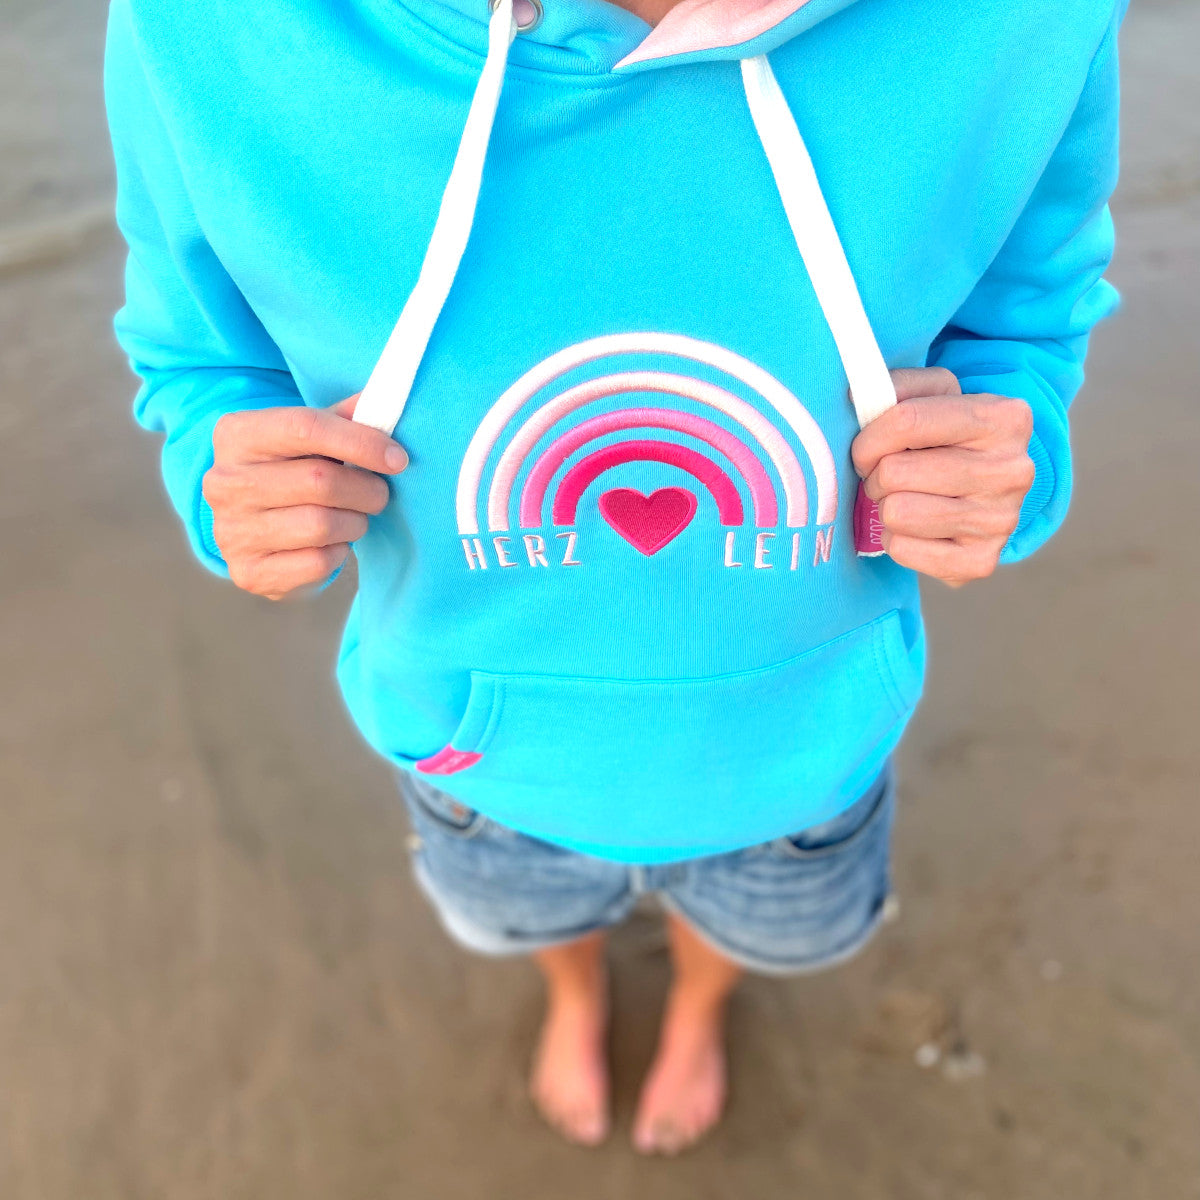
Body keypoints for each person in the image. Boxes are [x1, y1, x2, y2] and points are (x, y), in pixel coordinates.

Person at [106, 0, 1126, 1154]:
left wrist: (1003, 462)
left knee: (748, 932)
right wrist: (228, 480)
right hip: (470, 753)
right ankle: (577, 995)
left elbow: (1024, 323)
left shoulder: (1029, 23)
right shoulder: (202, 28)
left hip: (807, 747)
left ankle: (696, 1009)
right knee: (536, 922)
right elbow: (201, 355)